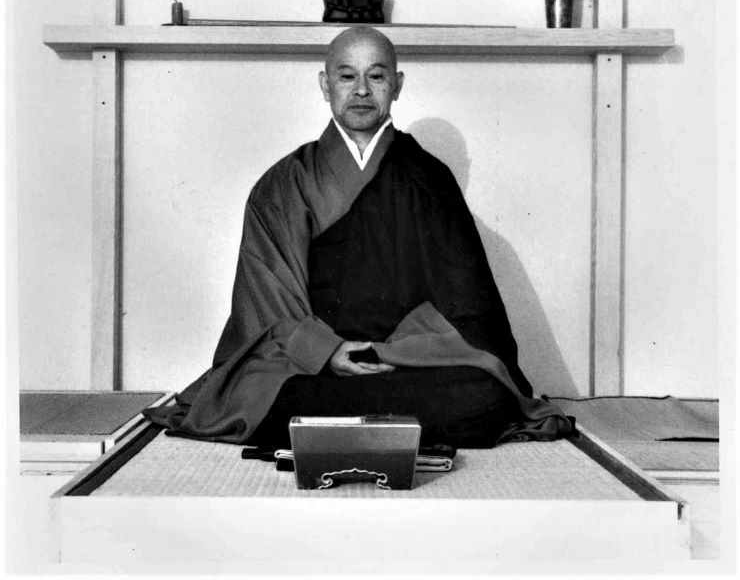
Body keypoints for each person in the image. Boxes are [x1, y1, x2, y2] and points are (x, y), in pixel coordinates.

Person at [146, 27, 572, 448]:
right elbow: (265, 304)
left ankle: (331, 426)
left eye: (377, 76)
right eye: (347, 76)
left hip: (403, 365)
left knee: (486, 396)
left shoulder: (430, 179)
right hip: (310, 365)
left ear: (397, 85)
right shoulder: (284, 184)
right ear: (325, 84)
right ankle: (381, 423)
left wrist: (396, 353)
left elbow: (471, 310)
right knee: (261, 393)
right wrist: (326, 351)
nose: (362, 90)